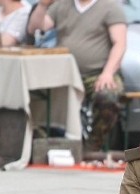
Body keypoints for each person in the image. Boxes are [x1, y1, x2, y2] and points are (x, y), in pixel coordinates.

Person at [27, 0, 127, 153]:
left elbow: (120, 43)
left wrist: (107, 73)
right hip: (64, 74)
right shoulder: (61, 5)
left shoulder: (110, 7)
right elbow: (35, 28)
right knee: (35, 91)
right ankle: (43, 142)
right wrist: (42, 6)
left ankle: (93, 146)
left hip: (97, 73)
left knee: (108, 96)